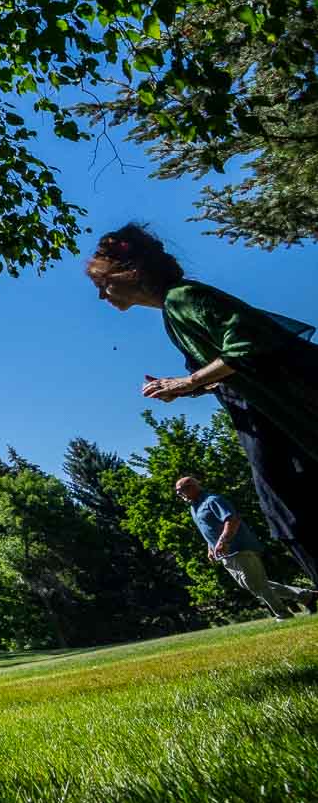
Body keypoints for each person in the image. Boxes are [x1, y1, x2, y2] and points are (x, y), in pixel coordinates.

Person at [87, 223, 318, 586]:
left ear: (129, 273)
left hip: (281, 416)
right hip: (261, 420)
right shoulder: (172, 312)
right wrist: (183, 389)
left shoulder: (183, 298)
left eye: (103, 284)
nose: (102, 296)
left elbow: (246, 339)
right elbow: (223, 373)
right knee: (289, 510)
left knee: (294, 511)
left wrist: (189, 381)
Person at [175, 476, 317, 620]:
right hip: (225, 553)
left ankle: (283, 614)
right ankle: (306, 596)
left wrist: (224, 541)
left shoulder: (212, 500)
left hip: (239, 547)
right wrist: (210, 548)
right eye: (177, 493)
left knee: (256, 585)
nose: (179, 495)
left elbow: (232, 520)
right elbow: (209, 529)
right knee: (255, 584)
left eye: (181, 491)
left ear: (192, 487)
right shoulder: (194, 507)